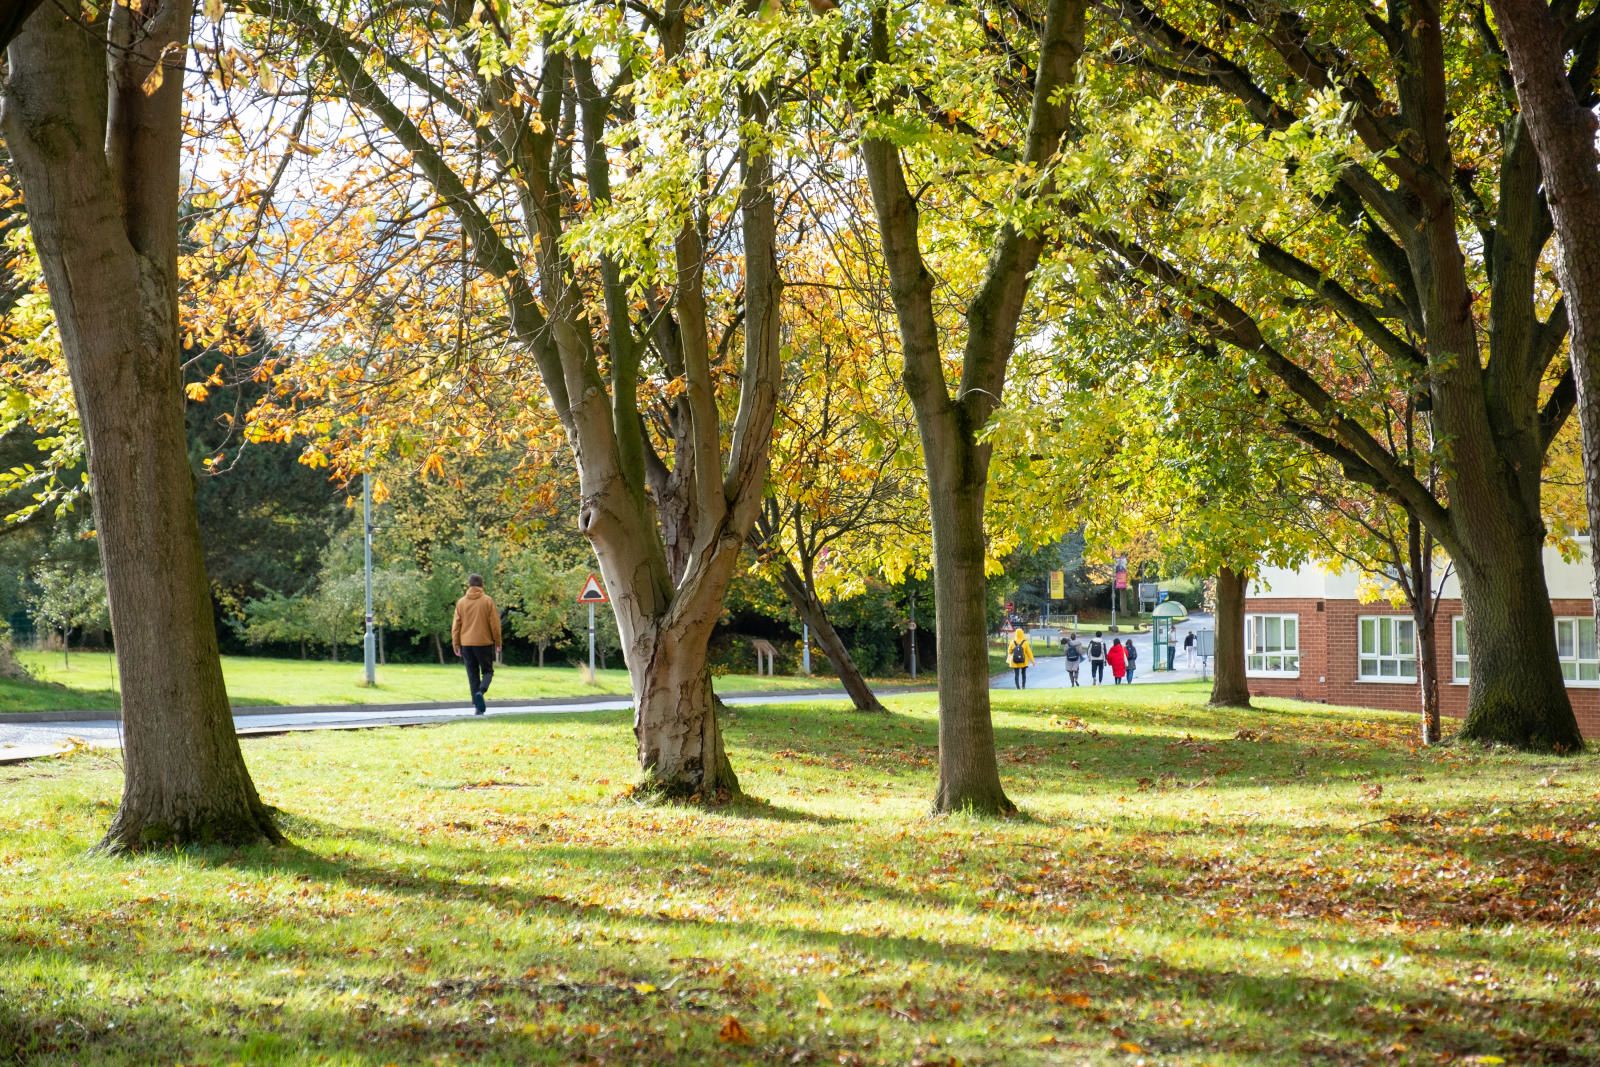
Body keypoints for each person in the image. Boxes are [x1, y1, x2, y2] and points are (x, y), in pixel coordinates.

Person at [452, 573, 503, 715]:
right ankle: (481, 692)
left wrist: (456, 644)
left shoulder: (461, 602)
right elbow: (495, 625)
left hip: (466, 644)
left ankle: (478, 708)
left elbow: (456, 625)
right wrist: (498, 642)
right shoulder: (487, 601)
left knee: (472, 675)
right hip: (484, 643)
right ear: (482, 585)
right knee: (488, 671)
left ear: (469, 585)